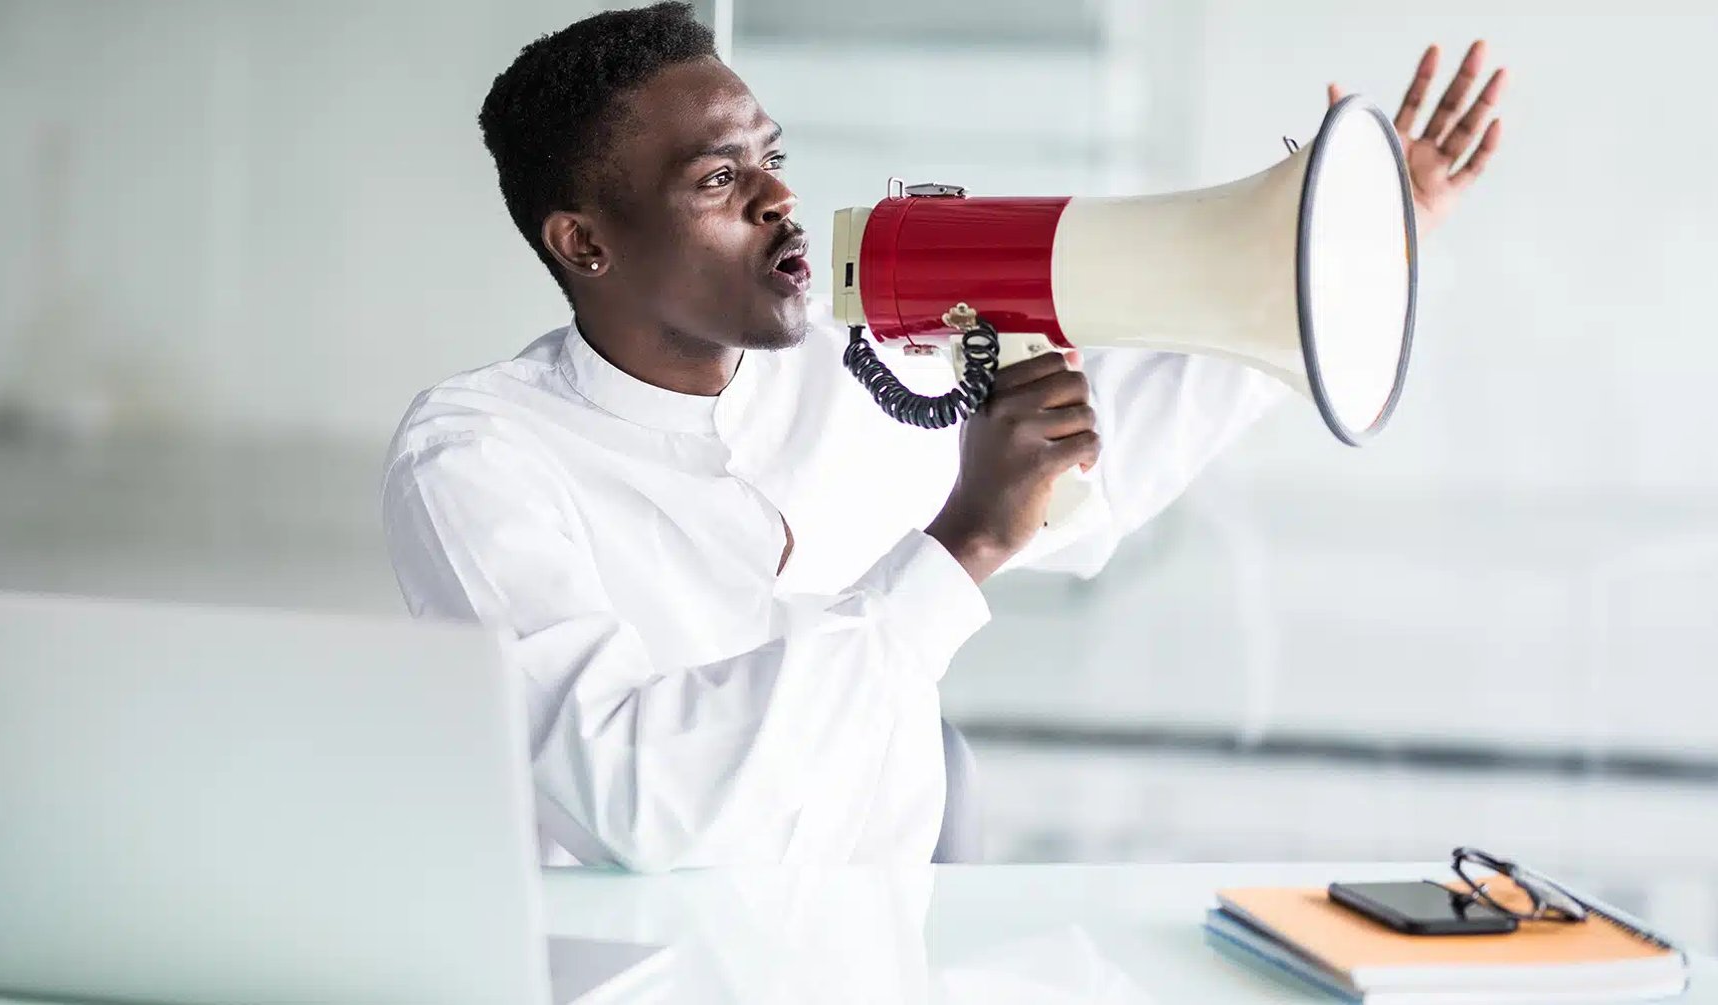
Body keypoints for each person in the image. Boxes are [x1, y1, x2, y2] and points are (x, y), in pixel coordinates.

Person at [383, 3, 1505, 871]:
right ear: (584, 243)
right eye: (719, 179)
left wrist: (1344, 251)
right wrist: (961, 544)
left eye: (771, 154)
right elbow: (643, 802)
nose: (778, 197)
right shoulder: (481, 457)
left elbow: (1112, 457)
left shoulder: (859, 352)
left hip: (892, 938)